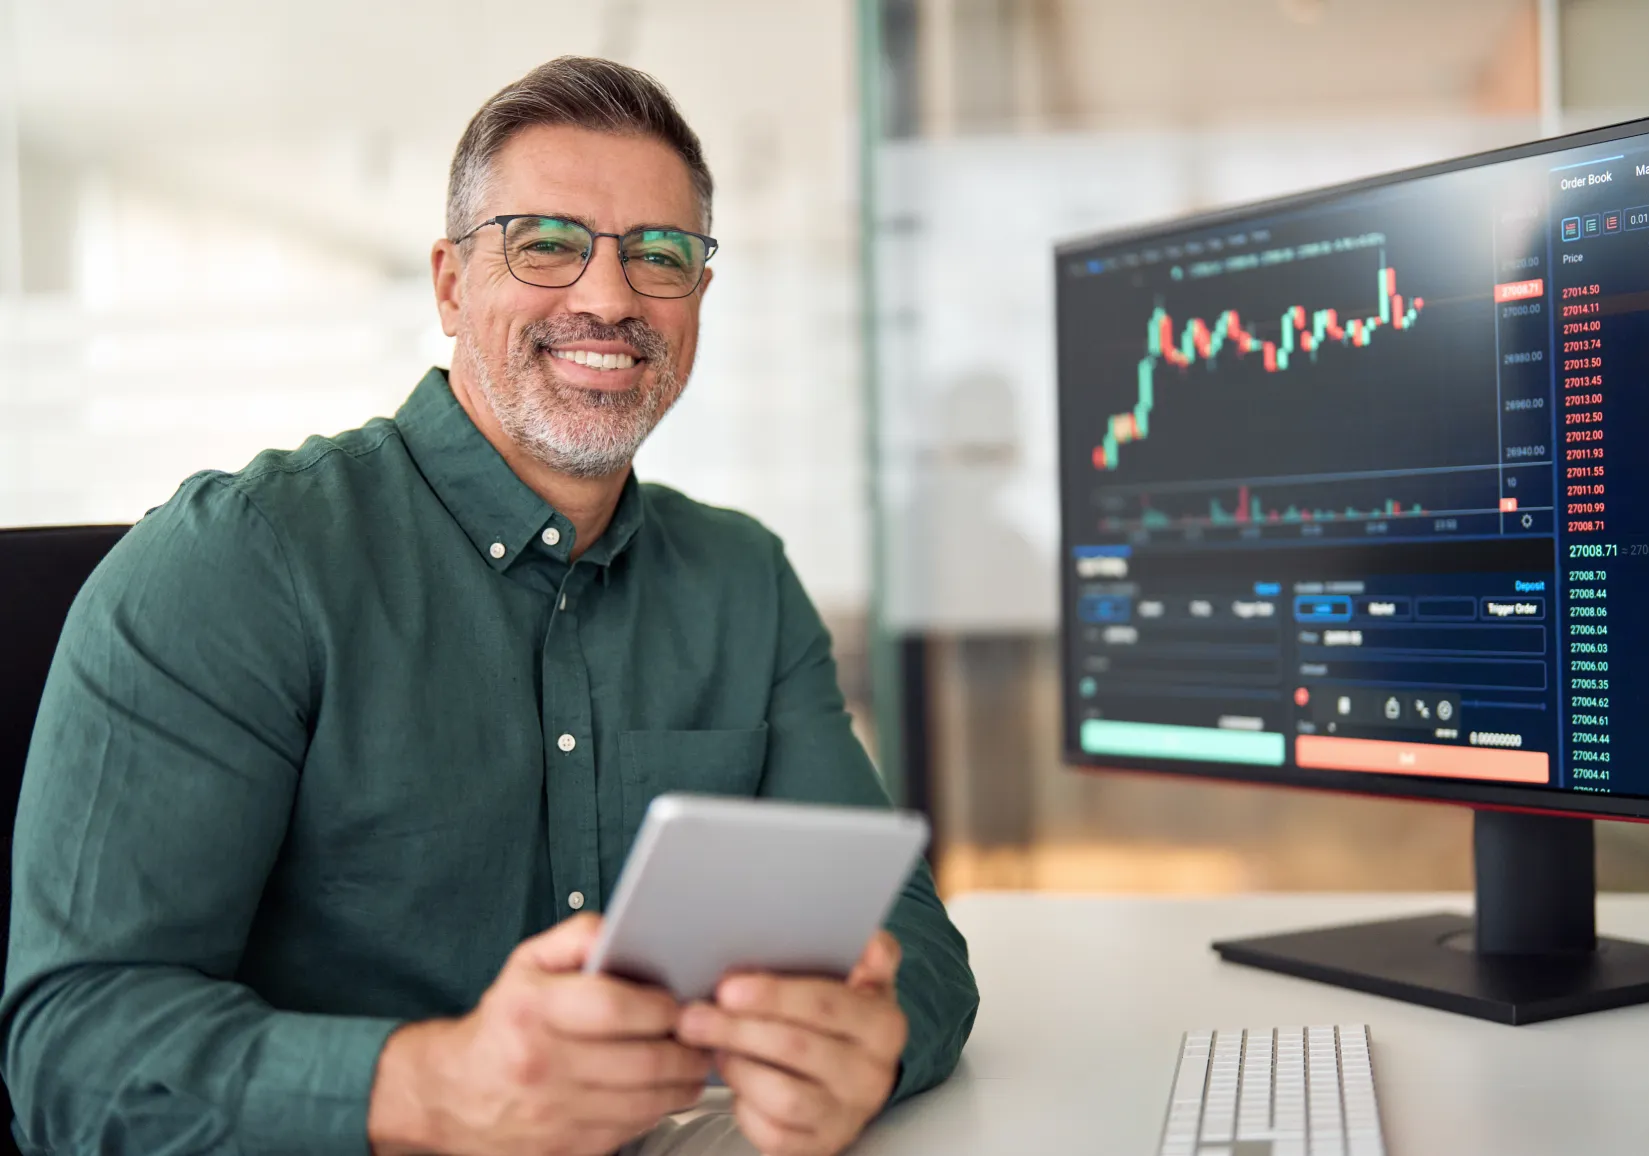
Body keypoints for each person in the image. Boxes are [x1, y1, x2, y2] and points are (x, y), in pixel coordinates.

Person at [1, 57, 978, 1156]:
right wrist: (432, 1087)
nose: (609, 298)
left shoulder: (744, 580)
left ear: (699, 295)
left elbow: (913, 939)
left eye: (659, 255)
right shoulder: (237, 564)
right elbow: (72, 1051)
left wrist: (865, 1044)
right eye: (547, 242)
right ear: (451, 283)